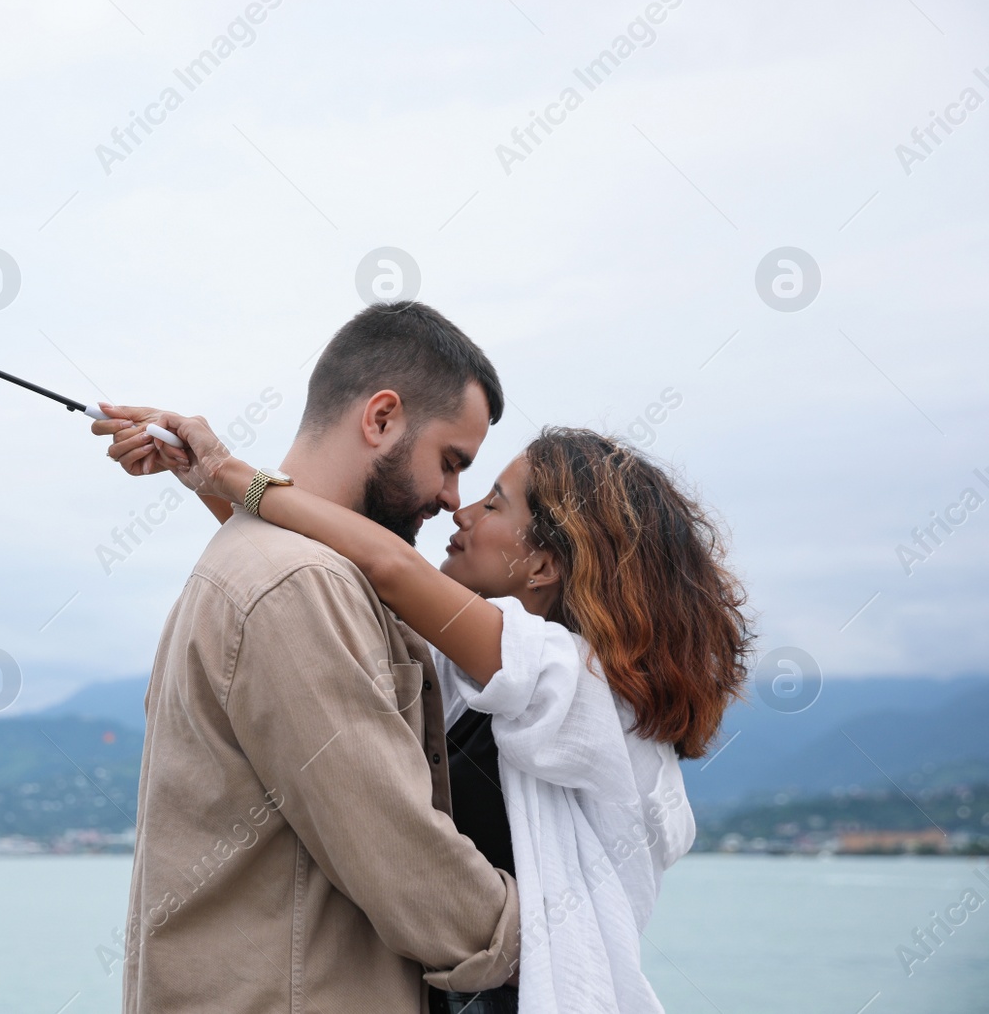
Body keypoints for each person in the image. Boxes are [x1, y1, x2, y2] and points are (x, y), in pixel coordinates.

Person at [98, 395, 753, 1014]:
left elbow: (388, 568)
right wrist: (206, 478)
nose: (461, 511)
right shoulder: (485, 677)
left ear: (544, 564)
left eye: (495, 504)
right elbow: (324, 582)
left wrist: (231, 470)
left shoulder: (575, 682)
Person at [97, 303, 524, 1014]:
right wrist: (547, 934)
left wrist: (217, 476)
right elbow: (404, 861)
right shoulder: (299, 583)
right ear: (381, 418)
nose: (453, 499)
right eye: (451, 462)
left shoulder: (272, 562)